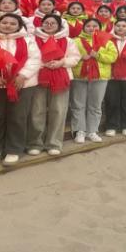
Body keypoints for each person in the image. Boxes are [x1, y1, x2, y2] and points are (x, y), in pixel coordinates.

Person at [0, 14, 41, 166]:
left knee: (18, 117)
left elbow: (35, 59)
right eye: (4, 22)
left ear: (19, 26)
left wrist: (23, 75)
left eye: (13, 23)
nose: (8, 25)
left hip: (21, 84)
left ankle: (14, 149)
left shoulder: (28, 41)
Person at [27, 13, 81, 156]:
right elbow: (28, 56)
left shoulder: (68, 40)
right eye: (46, 23)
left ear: (59, 26)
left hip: (61, 77)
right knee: (37, 110)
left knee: (58, 110)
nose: (49, 25)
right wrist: (42, 64)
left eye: (53, 23)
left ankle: (54, 143)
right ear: (41, 24)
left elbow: (75, 57)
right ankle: (35, 143)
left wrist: (61, 62)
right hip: (38, 77)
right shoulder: (33, 39)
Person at [69, 18, 118, 143]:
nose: (91, 28)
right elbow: (69, 56)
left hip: (100, 77)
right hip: (79, 76)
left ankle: (92, 131)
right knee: (78, 105)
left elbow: (113, 57)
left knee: (95, 106)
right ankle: (79, 131)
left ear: (100, 28)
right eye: (88, 26)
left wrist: (98, 55)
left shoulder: (107, 41)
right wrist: (81, 57)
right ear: (84, 28)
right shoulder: (75, 41)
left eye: (95, 26)